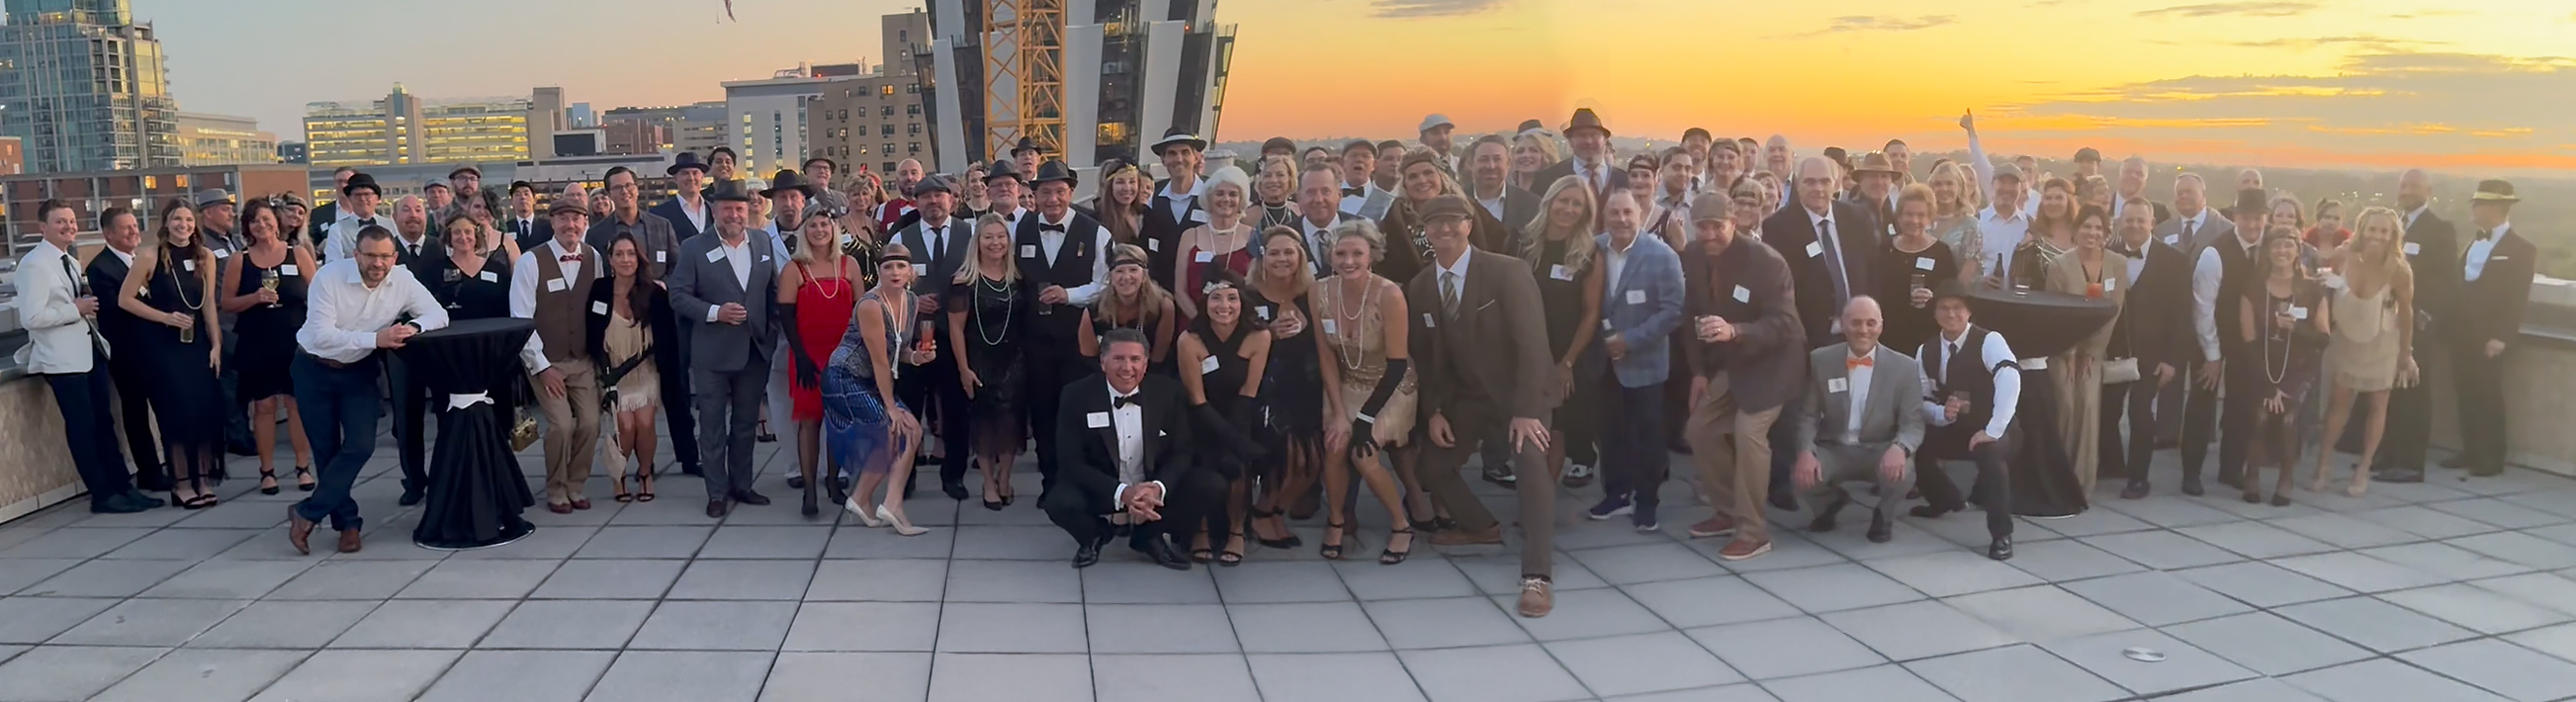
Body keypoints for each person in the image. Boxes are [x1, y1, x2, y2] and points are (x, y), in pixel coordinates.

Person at [1403, 194, 1561, 618]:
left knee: (1531, 468)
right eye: (1434, 224)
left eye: (1453, 221)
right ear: (1425, 231)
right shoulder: (1419, 288)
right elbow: (1429, 358)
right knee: (1431, 468)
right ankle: (1481, 527)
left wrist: (1527, 410)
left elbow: (1533, 344)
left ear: (1468, 225)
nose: (1444, 230)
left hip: (1520, 395)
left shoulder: (1506, 272)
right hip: (1468, 398)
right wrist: (1434, 410)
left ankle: (1537, 576)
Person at [289, 226, 451, 555]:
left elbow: (439, 314)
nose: (377, 263)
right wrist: (375, 340)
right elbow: (321, 335)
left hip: (358, 371)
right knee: (327, 451)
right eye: (370, 255)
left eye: (384, 256)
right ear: (356, 255)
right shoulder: (329, 277)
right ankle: (348, 524)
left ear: (394, 257)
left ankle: (307, 511)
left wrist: (414, 326)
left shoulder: (402, 279)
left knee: (361, 445)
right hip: (313, 368)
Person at [1679, 196, 1804, 558]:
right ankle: (1727, 511)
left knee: (1749, 435)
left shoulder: (1766, 262)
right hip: (1731, 366)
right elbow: (1691, 319)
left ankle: (1754, 532)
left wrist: (1735, 331)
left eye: (1717, 225)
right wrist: (1699, 372)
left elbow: (1785, 324)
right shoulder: (1692, 256)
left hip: (1775, 365)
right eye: (1702, 226)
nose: (1710, 233)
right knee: (1699, 430)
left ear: (1734, 222)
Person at [17, 201, 158, 513]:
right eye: (59, 222)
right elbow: (31, 317)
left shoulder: (69, 259)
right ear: (43, 228)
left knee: (104, 424)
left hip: (89, 353)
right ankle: (102, 494)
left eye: (71, 221)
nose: (68, 227)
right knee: (83, 427)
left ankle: (123, 487)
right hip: (62, 360)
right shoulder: (34, 264)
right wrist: (75, 309)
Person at [1043, 327, 1218, 570]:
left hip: (1150, 485)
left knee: (1209, 484)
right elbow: (1070, 461)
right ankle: (1094, 535)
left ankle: (1149, 537)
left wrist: (1157, 488)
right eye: (1118, 359)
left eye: (1135, 359)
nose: (1127, 368)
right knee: (1059, 502)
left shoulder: (1168, 393)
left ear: (1146, 364)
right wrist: (1122, 492)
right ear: (1103, 362)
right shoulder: (1076, 395)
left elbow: (1183, 450)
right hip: (1104, 485)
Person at [669, 181, 787, 519]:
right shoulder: (694, 247)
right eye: (726, 208)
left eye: (739, 208)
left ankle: (742, 485)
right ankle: (716, 492)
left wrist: (771, 328)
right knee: (712, 426)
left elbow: (772, 291)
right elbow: (678, 296)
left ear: (748, 209)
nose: (734, 214)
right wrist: (714, 312)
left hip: (753, 351)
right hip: (712, 354)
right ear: (714, 210)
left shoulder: (762, 241)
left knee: (746, 424)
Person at [1314, 219, 1424, 564]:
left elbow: (1396, 364)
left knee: (1363, 453)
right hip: (1346, 383)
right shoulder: (1318, 291)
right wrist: (1337, 412)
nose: (1348, 261)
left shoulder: (1389, 294)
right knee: (1334, 444)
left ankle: (1401, 525)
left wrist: (1361, 419)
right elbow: (1326, 359)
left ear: (1372, 255)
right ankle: (1336, 519)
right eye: (1341, 253)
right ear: (1330, 255)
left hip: (1390, 386)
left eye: (1357, 253)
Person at [1583, 190, 1685, 530]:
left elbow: (1673, 311)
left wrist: (1630, 340)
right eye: (1614, 213)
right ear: (1604, 217)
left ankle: (1647, 501)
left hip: (1645, 362)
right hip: (1602, 363)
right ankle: (1616, 494)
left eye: (1628, 212)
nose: (1622, 220)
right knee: (1609, 433)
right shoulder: (1591, 250)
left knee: (1647, 435)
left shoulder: (1662, 256)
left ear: (1640, 215)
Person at [116, 199, 226, 509]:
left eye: (189, 220)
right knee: (176, 415)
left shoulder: (204, 256)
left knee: (203, 413)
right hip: (165, 347)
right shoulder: (150, 256)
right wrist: (164, 317)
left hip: (198, 345)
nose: (184, 226)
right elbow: (126, 300)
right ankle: (181, 484)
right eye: (178, 219)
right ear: (166, 223)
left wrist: (216, 345)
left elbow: (208, 307)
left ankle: (203, 478)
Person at [820, 242, 935, 535]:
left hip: (872, 377)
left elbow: (901, 349)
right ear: (879, 272)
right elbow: (879, 360)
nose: (895, 272)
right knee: (893, 429)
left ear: (911, 272)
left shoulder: (911, 300)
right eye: (888, 267)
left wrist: (918, 357)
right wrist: (891, 406)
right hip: (845, 376)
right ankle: (882, 504)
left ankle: (870, 501)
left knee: (913, 431)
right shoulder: (871, 304)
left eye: (901, 266)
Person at [1499, 177, 1607, 490]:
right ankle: (1530, 491)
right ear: (1549, 202)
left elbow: (1591, 313)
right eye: (1564, 200)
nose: (1568, 209)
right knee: (1524, 422)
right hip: (1523, 350)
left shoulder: (1589, 254)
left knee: (1555, 428)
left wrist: (1568, 363)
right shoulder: (1520, 242)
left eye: (1577, 204)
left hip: (1565, 354)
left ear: (1585, 212)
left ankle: (1540, 500)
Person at [1791, 297, 1923, 544]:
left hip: (1880, 447)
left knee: (1903, 472)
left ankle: (1884, 515)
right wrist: (1806, 451)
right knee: (1802, 477)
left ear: (1881, 326)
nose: (1864, 330)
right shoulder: (1821, 360)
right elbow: (1808, 414)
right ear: (1842, 324)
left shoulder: (1905, 367)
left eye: (1871, 323)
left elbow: (1913, 423)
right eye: (1856, 323)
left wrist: (1900, 447)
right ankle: (1829, 504)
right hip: (1835, 447)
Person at [1019, 161, 1117, 487]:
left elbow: (1105, 284)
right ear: (1034, 195)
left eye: (1059, 192)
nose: (1052, 199)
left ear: (1071, 192)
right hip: (1035, 340)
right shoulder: (1020, 229)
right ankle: (1051, 480)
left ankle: (1083, 479)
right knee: (1043, 410)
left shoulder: (1096, 232)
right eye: (1045, 192)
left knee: (1077, 409)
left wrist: (1069, 294)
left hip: (1080, 339)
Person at [1910, 282, 2022, 560]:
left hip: (1997, 427)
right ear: (1935, 314)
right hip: (1956, 427)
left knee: (1990, 455)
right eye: (1944, 309)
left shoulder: (1990, 340)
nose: (1951, 314)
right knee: (1913, 443)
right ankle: (1945, 500)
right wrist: (1940, 413)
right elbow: (1920, 398)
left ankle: (2001, 534)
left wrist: (1993, 430)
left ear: (1969, 312)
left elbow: (2011, 377)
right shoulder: (1926, 350)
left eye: (1957, 308)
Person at [2308, 207, 2414, 496]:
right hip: (2347, 338)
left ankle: (2364, 468)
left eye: (2384, 231)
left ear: (2392, 235)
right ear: (2361, 230)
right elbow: (2325, 291)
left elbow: (2407, 313)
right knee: (2338, 403)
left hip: (2382, 342)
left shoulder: (2399, 269)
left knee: (2378, 406)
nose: (2377, 236)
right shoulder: (2343, 256)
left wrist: (2406, 353)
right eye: (2372, 229)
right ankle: (2323, 463)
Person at [513, 196, 606, 513]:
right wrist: (540, 367)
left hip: (582, 359)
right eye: (563, 219)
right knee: (562, 425)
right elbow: (522, 320)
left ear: (585, 223)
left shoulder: (594, 257)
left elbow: (598, 309)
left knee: (592, 423)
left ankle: (576, 483)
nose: (571, 225)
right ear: (551, 223)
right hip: (546, 359)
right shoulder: (530, 261)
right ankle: (555, 487)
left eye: (577, 219)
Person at [221, 199, 318, 494]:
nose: (261, 225)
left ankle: (303, 467)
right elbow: (226, 303)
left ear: (277, 222)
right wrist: (254, 298)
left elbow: (319, 295)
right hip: (257, 340)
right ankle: (267, 471)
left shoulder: (298, 254)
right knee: (263, 406)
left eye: (265, 219)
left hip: (294, 339)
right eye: (254, 221)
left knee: (296, 403)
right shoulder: (240, 259)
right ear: (247, 227)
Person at [1176, 271, 1273, 565]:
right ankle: (1201, 529)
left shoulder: (1260, 336)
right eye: (1216, 298)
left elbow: (1249, 391)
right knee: (1205, 455)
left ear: (1242, 302)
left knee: (1238, 461)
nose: (1224, 306)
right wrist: (1229, 437)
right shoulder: (1189, 340)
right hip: (1200, 414)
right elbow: (1196, 398)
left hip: (1240, 412)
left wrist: (1236, 438)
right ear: (1204, 302)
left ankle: (1236, 531)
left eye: (1232, 298)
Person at [2184, 189, 2274, 495]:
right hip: (2211, 333)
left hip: (2248, 341)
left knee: (2242, 406)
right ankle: (2191, 473)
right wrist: (2212, 354)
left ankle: (2230, 469)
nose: (2253, 225)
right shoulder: (2214, 253)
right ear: (2236, 218)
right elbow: (2203, 307)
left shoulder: (2272, 247)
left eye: (2258, 218)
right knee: (2202, 403)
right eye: (2247, 218)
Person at [2102, 201, 2194, 499]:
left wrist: (2172, 361)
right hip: (2113, 352)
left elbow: (2182, 317)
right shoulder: (2106, 256)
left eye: (2141, 221)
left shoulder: (2175, 261)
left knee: (2142, 416)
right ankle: (2112, 465)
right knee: (2107, 412)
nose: (2135, 226)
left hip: (2152, 357)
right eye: (2129, 220)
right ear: (2120, 222)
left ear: (2152, 223)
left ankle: (2138, 478)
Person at [892, 176, 975, 501]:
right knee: (909, 410)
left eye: (939, 196)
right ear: (916, 202)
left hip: (957, 337)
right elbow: (891, 281)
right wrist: (913, 299)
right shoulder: (902, 236)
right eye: (925, 197)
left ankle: (953, 474)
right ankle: (906, 476)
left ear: (952, 200)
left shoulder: (971, 233)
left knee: (956, 409)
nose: (933, 202)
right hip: (914, 338)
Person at [2373, 169, 2458, 483]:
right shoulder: (2392, 226)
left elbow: (2446, 280)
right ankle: (2389, 456)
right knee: (2390, 391)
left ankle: (2411, 463)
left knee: (2414, 391)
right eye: (2403, 185)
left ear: (2428, 191)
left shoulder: (2439, 230)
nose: (2407, 191)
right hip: (2386, 322)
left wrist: (2427, 313)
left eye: (2414, 186)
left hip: (2418, 324)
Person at [2448, 179, 2537, 479]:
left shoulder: (2521, 249)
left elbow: (2517, 297)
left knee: (2488, 395)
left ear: (2497, 208)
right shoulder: (2474, 242)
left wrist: (2502, 336)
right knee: (2465, 392)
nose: (2473, 208)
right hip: (2462, 332)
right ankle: (2470, 449)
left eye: (2480, 203)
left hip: (2490, 336)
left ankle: (2491, 456)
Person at [947, 214, 1037, 508]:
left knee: (1011, 423)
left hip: (1015, 359)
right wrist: (963, 369)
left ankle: (1005, 477)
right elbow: (955, 329)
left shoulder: (1020, 276)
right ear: (978, 242)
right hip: (979, 358)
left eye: (1000, 236)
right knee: (984, 425)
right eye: (988, 237)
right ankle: (987, 482)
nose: (995, 242)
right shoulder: (964, 280)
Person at [2236, 228, 2329, 504]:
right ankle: (2251, 473)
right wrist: (2268, 386)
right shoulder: (2252, 289)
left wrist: (2297, 330)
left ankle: (2285, 477)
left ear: (2297, 251)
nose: (2282, 251)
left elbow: (2323, 339)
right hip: (2261, 367)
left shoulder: (2313, 290)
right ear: (2267, 251)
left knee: (2288, 420)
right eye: (2276, 246)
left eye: (2288, 246)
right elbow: (2248, 341)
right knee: (2262, 416)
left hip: (2299, 369)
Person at [580, 233, 675, 504]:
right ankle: (618, 476)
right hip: (611, 371)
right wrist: (602, 372)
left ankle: (645, 472)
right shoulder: (599, 289)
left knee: (644, 423)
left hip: (644, 370)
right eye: (619, 254)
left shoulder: (654, 292)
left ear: (639, 258)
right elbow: (592, 332)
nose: (625, 259)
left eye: (630, 254)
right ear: (610, 260)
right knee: (625, 425)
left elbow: (666, 337)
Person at [1244, 227, 1323, 548]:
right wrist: (1268, 334)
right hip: (1267, 389)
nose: (1282, 259)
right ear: (1263, 257)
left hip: (1306, 387)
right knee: (1287, 459)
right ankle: (1263, 513)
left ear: (1300, 256)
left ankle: (1273, 510)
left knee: (1311, 463)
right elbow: (1235, 346)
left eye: (1289, 252)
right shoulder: (1247, 295)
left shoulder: (1311, 294)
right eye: (1274, 252)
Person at [2040, 206, 2124, 493]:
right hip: (2063, 347)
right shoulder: (2059, 266)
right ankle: (2057, 477)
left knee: (2088, 407)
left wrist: (2089, 353)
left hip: (2094, 352)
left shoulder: (2117, 265)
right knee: (2065, 404)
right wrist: (2072, 353)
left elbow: (2115, 310)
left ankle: (2081, 482)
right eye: (2087, 227)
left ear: (2106, 233)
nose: (2093, 233)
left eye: (2099, 228)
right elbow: (2055, 313)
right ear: (2076, 230)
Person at [83, 207, 166, 492]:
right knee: (136, 414)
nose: (134, 232)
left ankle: (175, 467)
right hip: (127, 354)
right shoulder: (100, 268)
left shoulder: (142, 260)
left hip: (156, 350)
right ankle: (150, 473)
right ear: (108, 233)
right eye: (126, 228)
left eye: (135, 225)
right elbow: (115, 312)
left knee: (165, 409)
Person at [1878, 184, 1963, 355]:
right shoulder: (1884, 248)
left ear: (1929, 218)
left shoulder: (1941, 252)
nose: (1914, 221)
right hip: (1887, 339)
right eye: (1909, 214)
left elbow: (1954, 296)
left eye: (1921, 215)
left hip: (1927, 340)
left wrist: (1933, 298)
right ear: (1899, 216)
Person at [1172, 165, 1259, 321]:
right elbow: (1180, 290)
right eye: (1220, 194)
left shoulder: (1252, 236)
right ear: (1209, 199)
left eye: (1233, 194)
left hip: (1239, 326)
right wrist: (1202, 324)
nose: (1226, 199)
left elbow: (1255, 288)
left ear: (1241, 201)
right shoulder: (1190, 236)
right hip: (1195, 325)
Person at [1078, 246, 1178, 371]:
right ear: (1111, 277)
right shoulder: (1093, 311)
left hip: (1151, 374)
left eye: (1133, 270)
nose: (1126, 277)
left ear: (1144, 276)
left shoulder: (1163, 307)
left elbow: (1158, 359)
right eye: (1119, 271)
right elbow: (1089, 359)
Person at [1144, 130, 1210, 292]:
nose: (1179, 159)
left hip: (1203, 288)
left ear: (1196, 157)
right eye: (1172, 154)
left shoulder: (1213, 192)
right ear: (1163, 159)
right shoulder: (1153, 195)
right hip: (1162, 289)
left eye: (1185, 152)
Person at [1292, 165, 1364, 277]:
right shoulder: (1288, 235)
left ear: (1339, 195)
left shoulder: (1362, 231)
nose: (1319, 199)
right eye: (1311, 192)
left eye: (1326, 191)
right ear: (1299, 199)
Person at [1533, 108, 1615, 202]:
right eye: (1581, 135)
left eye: (1594, 135)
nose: (1588, 141)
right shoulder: (1547, 179)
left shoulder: (1623, 180)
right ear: (1570, 141)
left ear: (1605, 140)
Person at [2009, 178, 2079, 288]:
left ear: (2070, 201)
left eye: (2059, 198)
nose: (2053, 203)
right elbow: (2017, 279)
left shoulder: (2082, 234)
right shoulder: (2033, 238)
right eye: (2048, 198)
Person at [1466, 134, 1541, 234]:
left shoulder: (1532, 205)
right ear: (1471, 164)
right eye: (1484, 159)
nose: (1491, 166)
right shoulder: (1458, 200)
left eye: (1497, 159)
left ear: (1509, 163)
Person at [653, 153, 716, 242]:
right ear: (675, 178)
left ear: (702, 176)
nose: (691, 178)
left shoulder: (715, 211)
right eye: (685, 173)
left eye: (695, 173)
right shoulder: (659, 215)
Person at [1337, 139, 1397, 219]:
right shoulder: (1327, 197)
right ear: (1342, 162)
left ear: (1374, 165)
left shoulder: (1388, 202)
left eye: (1366, 156)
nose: (1359, 160)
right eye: (1353, 155)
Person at [2112, 157, 2172, 226]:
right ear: (2119, 176)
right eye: (2128, 172)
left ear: (2145, 181)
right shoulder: (2102, 205)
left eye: (2139, 174)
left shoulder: (2160, 213)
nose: (2133, 176)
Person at [310, 167, 356, 246]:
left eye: (347, 182)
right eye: (339, 182)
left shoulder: (366, 212)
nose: (343, 185)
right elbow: (312, 243)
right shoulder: (319, 213)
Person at [1254, 155, 1301, 231]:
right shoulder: (1248, 217)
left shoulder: (1299, 211)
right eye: (1267, 175)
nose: (1274, 180)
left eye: (1280, 175)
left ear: (1290, 179)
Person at [1509, 129, 1562, 194]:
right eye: (1520, 151)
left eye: (1533, 150)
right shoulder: (1506, 194)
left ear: (1547, 156)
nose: (1526, 155)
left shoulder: (1556, 193)